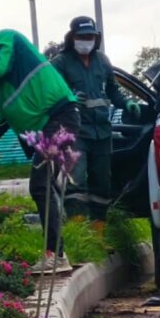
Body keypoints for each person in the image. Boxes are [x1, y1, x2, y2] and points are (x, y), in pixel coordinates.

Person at [0, 15, 80, 255]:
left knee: (41, 186)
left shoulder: (6, 38)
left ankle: (55, 254)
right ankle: (56, 252)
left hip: (57, 117)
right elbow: (6, 114)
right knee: (43, 187)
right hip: (48, 124)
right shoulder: (5, 84)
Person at [54, 14, 118, 205]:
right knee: (76, 183)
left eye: (90, 37)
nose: (86, 41)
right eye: (82, 37)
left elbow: (113, 91)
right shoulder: (60, 63)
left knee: (102, 184)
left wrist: (127, 104)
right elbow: (49, 94)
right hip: (75, 133)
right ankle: (78, 231)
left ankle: (99, 231)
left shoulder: (103, 61)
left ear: (96, 38)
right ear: (72, 37)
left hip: (102, 132)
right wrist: (68, 98)